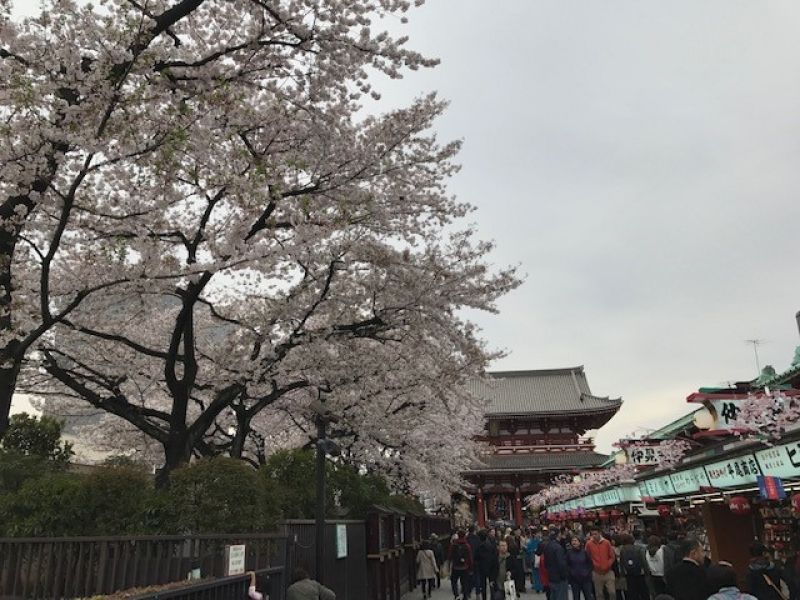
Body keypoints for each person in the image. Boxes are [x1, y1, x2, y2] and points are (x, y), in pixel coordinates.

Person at [586, 527, 616, 600]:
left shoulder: (606, 542)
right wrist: (593, 564)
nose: (594, 536)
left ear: (600, 533)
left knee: (612, 592)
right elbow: (587, 556)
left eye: (595, 534)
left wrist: (608, 565)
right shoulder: (589, 544)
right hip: (596, 573)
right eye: (592, 534)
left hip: (608, 572)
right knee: (599, 594)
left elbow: (612, 556)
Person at [619, 533, 649, 600]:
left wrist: (622, 575)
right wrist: (647, 572)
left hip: (629, 575)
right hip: (640, 573)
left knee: (632, 594)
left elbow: (622, 563)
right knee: (643, 593)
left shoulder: (622, 550)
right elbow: (644, 561)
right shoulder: (639, 548)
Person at [566, 535, 593, 600]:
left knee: (588, 597)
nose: (574, 542)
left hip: (586, 579)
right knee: (576, 597)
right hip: (574, 580)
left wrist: (588, 573)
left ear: (579, 542)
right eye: (572, 541)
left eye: (575, 541)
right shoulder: (569, 553)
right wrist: (571, 573)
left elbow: (590, 563)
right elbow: (567, 565)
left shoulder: (584, 552)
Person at [543, 528, 568, 600]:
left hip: (551, 576)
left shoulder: (547, 546)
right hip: (560, 578)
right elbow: (561, 564)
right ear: (558, 535)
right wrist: (564, 575)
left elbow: (545, 563)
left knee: (553, 597)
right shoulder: (558, 548)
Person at [450, 529, 474, 600]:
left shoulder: (454, 544)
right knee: (464, 582)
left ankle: (456, 594)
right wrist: (471, 567)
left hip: (455, 566)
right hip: (464, 567)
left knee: (454, 581)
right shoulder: (467, 545)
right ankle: (465, 595)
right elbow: (470, 557)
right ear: (464, 536)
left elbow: (449, 555)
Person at [476, 530, 498, 600]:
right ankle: (493, 597)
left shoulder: (479, 547)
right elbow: (495, 555)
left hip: (482, 568)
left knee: (483, 585)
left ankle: (484, 598)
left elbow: (476, 557)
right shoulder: (491, 545)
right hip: (491, 567)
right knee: (492, 583)